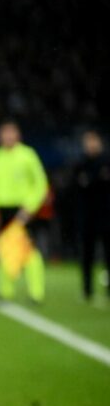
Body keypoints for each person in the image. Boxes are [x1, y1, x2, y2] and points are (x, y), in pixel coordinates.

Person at [0, 120, 50, 304]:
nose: (7, 137)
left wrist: (29, 207)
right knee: (4, 248)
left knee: (29, 251)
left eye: (11, 133)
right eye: (4, 133)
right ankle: (6, 291)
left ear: (17, 135)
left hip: (23, 209)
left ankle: (36, 293)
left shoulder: (28, 155)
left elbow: (41, 184)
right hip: (2, 209)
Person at [71, 129, 110, 302]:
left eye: (94, 141)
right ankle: (87, 290)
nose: (91, 145)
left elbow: (88, 183)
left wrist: (90, 181)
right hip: (87, 217)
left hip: (106, 215)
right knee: (87, 255)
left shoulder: (106, 161)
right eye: (88, 141)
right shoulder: (80, 163)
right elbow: (77, 187)